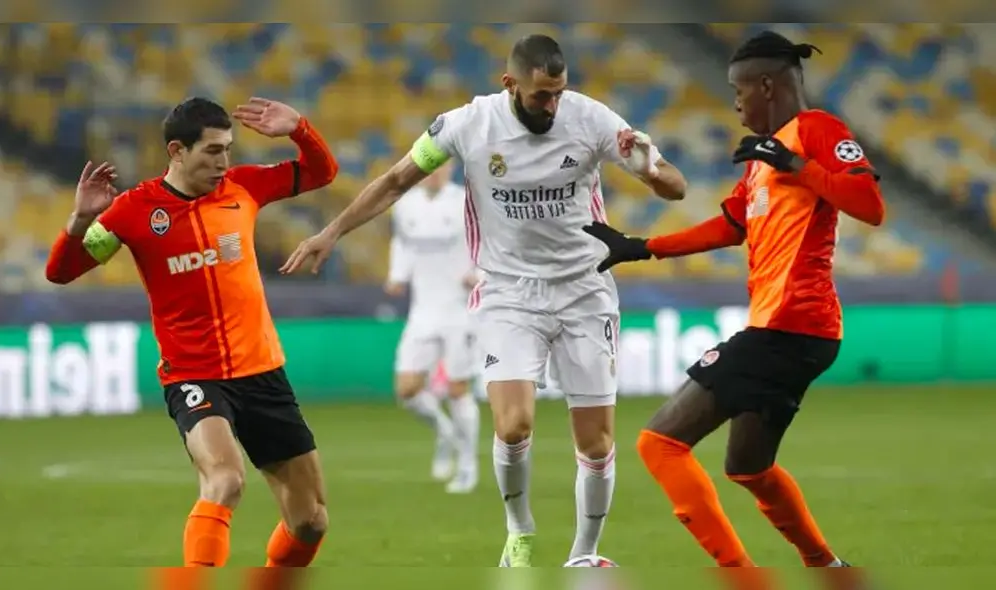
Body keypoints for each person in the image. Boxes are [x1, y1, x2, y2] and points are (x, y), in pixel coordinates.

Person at [280, 34, 687, 566]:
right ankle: (519, 531)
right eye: (542, 95)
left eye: (559, 93)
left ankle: (585, 552)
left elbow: (675, 188)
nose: (552, 105)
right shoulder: (466, 125)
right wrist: (332, 231)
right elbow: (398, 179)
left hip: (585, 292)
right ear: (510, 84)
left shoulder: (591, 119)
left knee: (595, 443)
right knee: (513, 425)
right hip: (507, 293)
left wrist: (653, 167)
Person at [582, 30, 885, 571]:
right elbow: (730, 225)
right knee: (748, 467)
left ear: (767, 84)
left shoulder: (818, 131)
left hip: (790, 326)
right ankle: (828, 569)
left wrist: (798, 166)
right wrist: (642, 247)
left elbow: (869, 204)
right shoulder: (761, 158)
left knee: (659, 443)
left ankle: (742, 578)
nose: (736, 102)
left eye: (739, 90)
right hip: (793, 331)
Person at [45, 97, 338, 569]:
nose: (223, 162)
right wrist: (80, 221)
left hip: (262, 371)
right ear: (177, 151)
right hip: (194, 376)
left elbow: (322, 172)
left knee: (312, 521)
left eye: (227, 149)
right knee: (225, 481)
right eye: (211, 151)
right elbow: (61, 272)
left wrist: (299, 128)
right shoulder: (132, 211)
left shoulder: (244, 186)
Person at [384, 160, 482, 494]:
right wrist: (397, 274)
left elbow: (491, 243)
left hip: (459, 309)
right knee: (407, 389)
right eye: (430, 167)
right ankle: (445, 432)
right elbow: (403, 243)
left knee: (457, 389)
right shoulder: (406, 204)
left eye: (441, 167)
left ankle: (468, 466)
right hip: (422, 310)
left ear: (451, 168)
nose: (435, 173)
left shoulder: (466, 202)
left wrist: (480, 276)